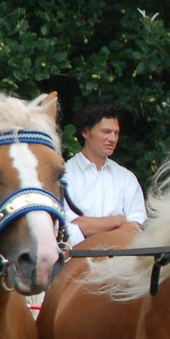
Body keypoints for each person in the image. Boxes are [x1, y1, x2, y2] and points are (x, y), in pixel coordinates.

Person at [63, 103, 147, 244]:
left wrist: (93, 227)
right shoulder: (64, 175)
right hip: (74, 261)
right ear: (86, 132)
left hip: (119, 260)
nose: (113, 139)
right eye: (106, 132)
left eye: (116, 133)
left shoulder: (126, 178)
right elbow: (69, 227)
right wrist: (118, 220)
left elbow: (137, 225)